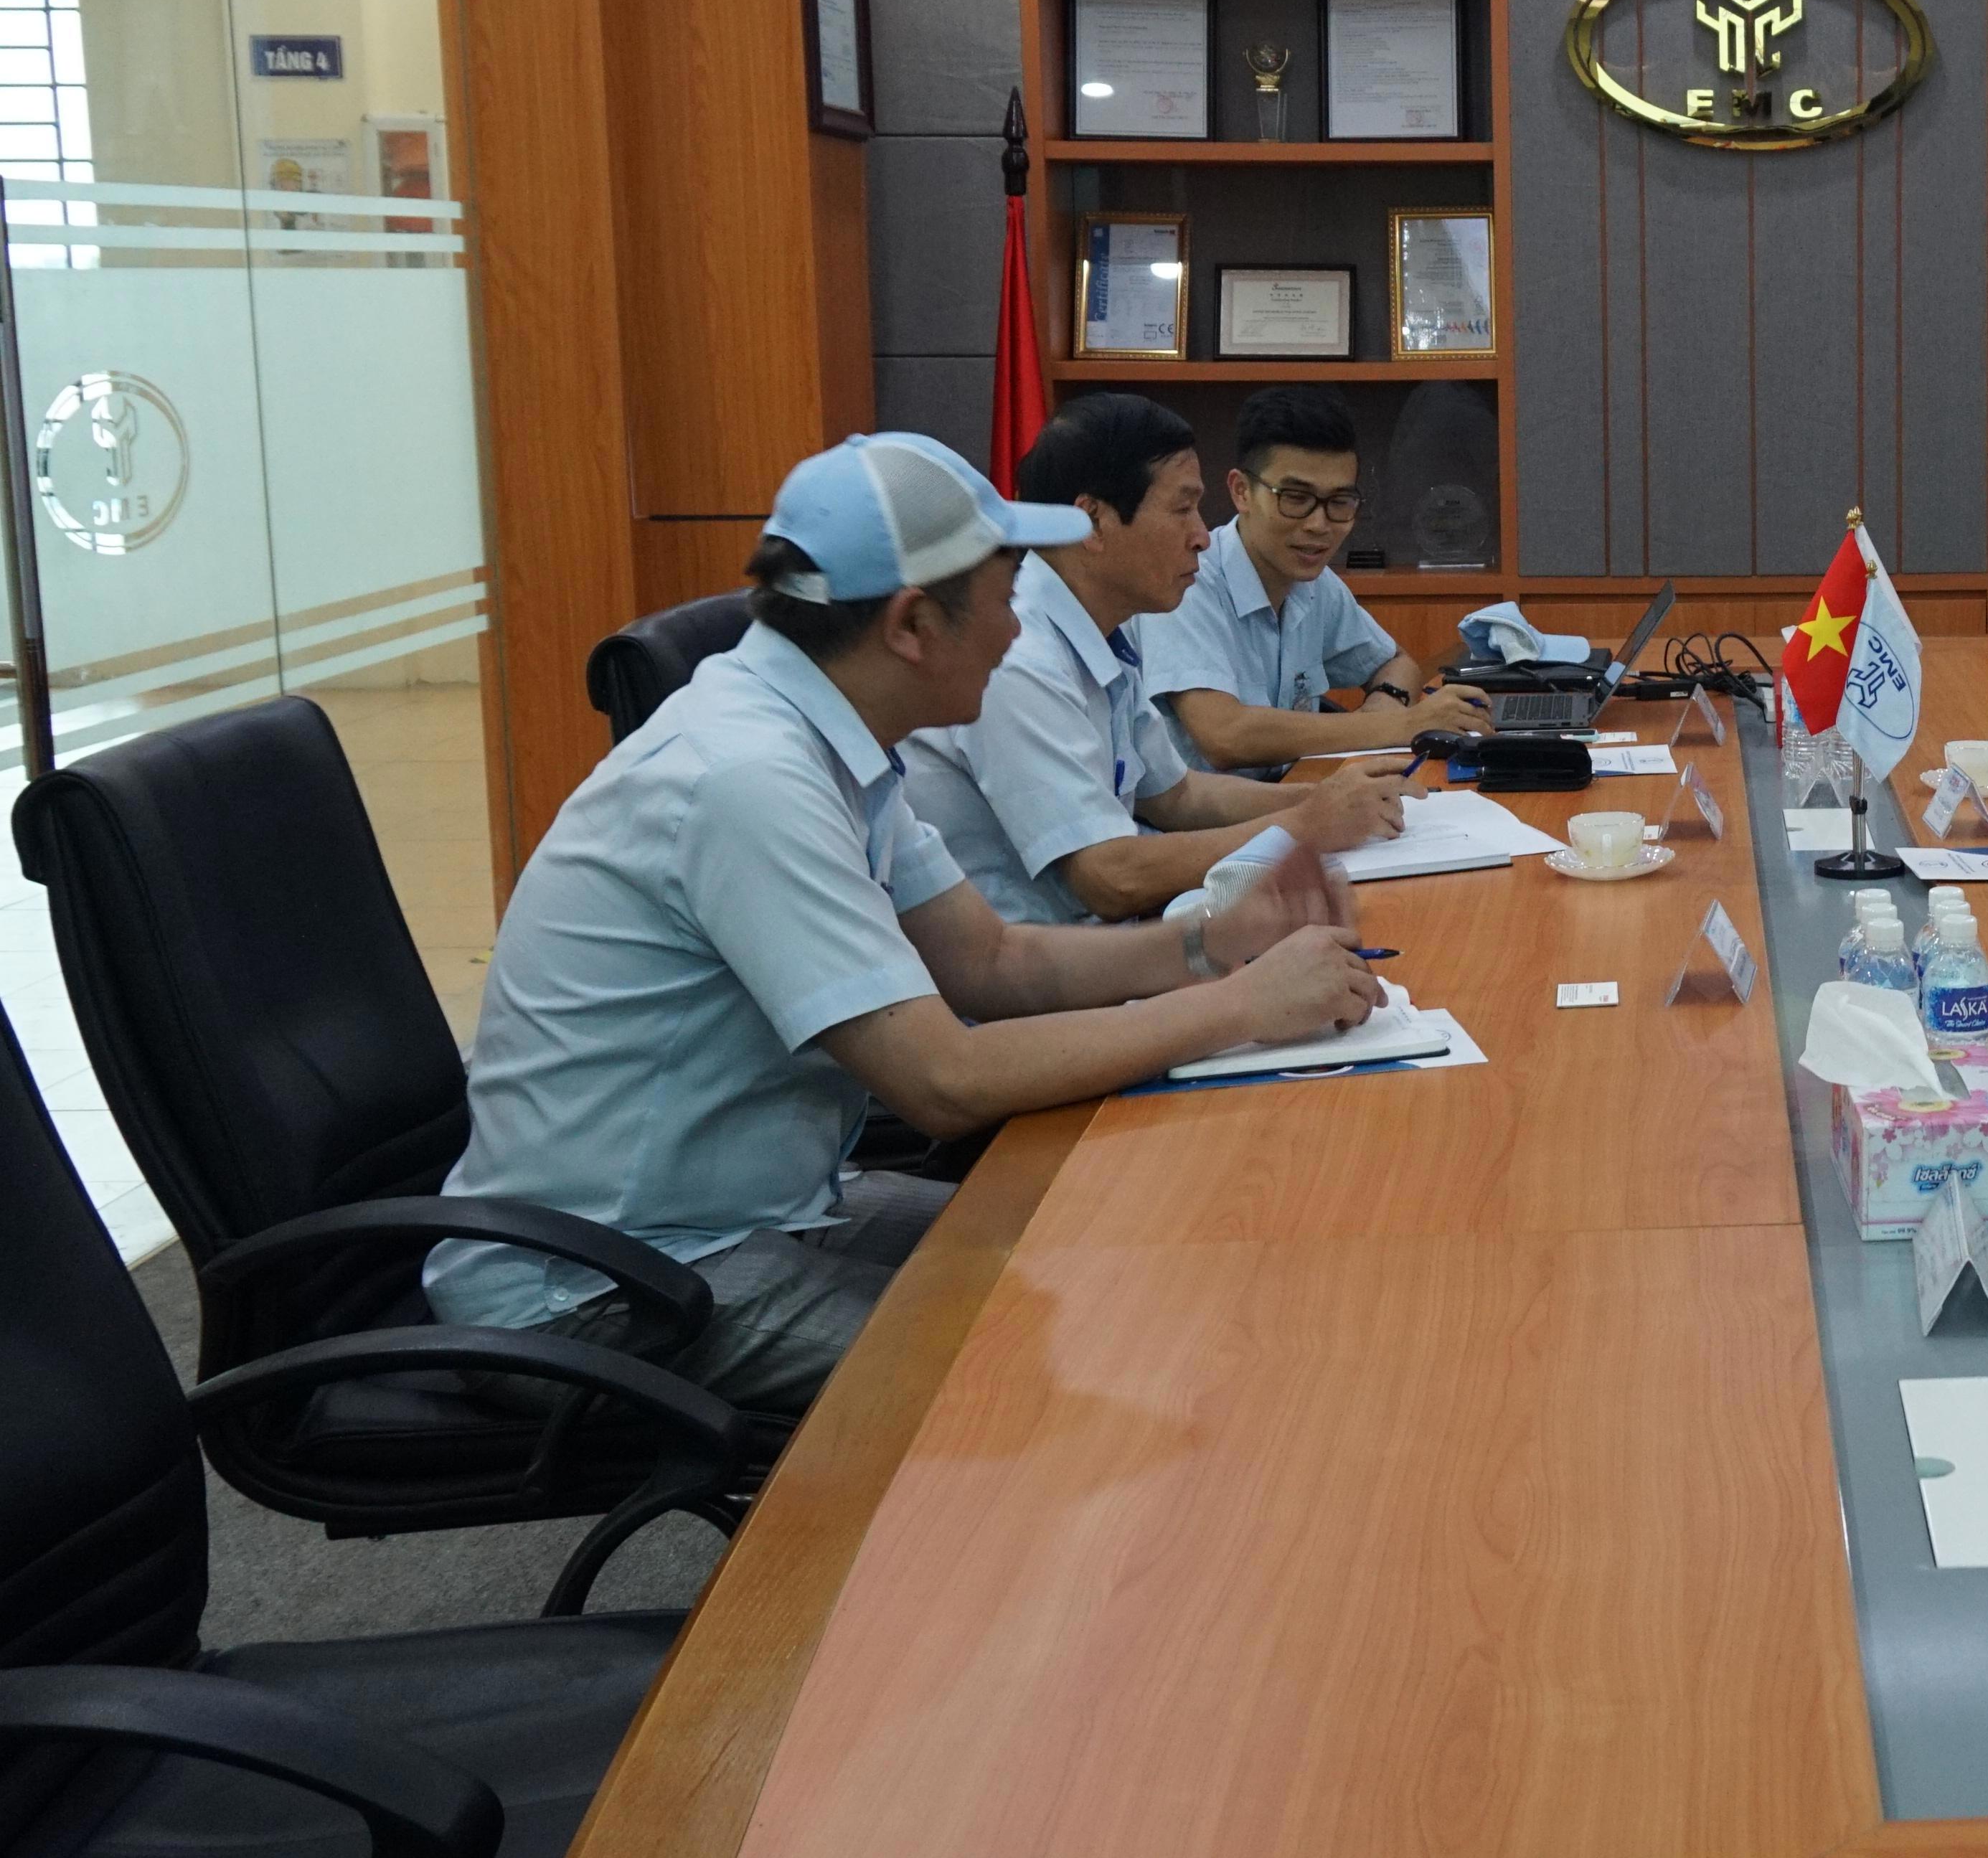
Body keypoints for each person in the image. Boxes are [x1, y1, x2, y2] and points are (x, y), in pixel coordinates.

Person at [424, 433, 1388, 1413]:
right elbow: (943, 1081)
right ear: (914, 623)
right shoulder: (747, 777)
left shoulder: (832, 739)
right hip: (594, 1286)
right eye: (1005, 599)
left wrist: (1210, 942)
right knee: (1052, 1363)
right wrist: (1239, 1006)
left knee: (1114, 1247)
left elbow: (992, 962)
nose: (1017, 630)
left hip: (754, 1213)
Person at [904, 393, 1413, 924]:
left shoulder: (1100, 632)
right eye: (1182, 509)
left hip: (1104, 943)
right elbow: (1110, 878)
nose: (1201, 537)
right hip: (1047, 962)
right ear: (1093, 522)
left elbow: (1179, 796)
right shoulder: (1019, 658)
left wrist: (1330, 799)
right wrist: (1304, 825)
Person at [1134, 385, 1489, 775]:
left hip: (1292, 796)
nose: (1319, 525)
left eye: (1339, 502)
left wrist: (1384, 709)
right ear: (1242, 491)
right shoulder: (1189, 580)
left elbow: (1396, 663)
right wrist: (1399, 725)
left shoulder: (1312, 582)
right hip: (1206, 812)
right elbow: (1225, 735)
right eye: (1296, 498)